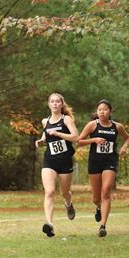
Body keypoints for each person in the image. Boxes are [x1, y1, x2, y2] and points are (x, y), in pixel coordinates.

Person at [77, 100, 129, 237]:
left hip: (110, 161)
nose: (102, 111)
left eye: (105, 109)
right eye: (99, 109)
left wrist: (124, 147)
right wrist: (93, 140)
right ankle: (98, 207)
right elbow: (78, 142)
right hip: (95, 162)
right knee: (96, 197)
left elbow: (128, 138)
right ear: (97, 111)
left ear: (110, 111)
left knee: (106, 191)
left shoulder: (117, 127)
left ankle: (102, 225)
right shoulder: (92, 125)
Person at [35, 93, 79, 237]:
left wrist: (59, 134)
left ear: (61, 104)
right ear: (49, 104)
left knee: (64, 192)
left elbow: (75, 137)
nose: (54, 104)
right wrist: (41, 141)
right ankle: (50, 224)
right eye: (52, 101)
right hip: (50, 160)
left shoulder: (66, 120)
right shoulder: (45, 121)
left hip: (65, 161)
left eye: (57, 102)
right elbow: (46, 136)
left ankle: (68, 203)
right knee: (49, 192)